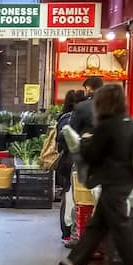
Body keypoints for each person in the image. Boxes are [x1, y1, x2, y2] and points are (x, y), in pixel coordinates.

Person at [57, 82, 133, 265]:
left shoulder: (108, 124)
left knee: (121, 227)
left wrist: (83, 143)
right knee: (97, 225)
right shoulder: (128, 121)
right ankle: (76, 264)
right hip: (126, 179)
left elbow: (93, 153)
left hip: (113, 181)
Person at [55, 89, 85, 246]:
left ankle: (69, 231)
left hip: (67, 161)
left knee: (70, 197)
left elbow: (59, 141)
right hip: (71, 162)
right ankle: (68, 232)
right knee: (70, 197)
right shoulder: (70, 119)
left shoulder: (64, 117)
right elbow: (62, 139)